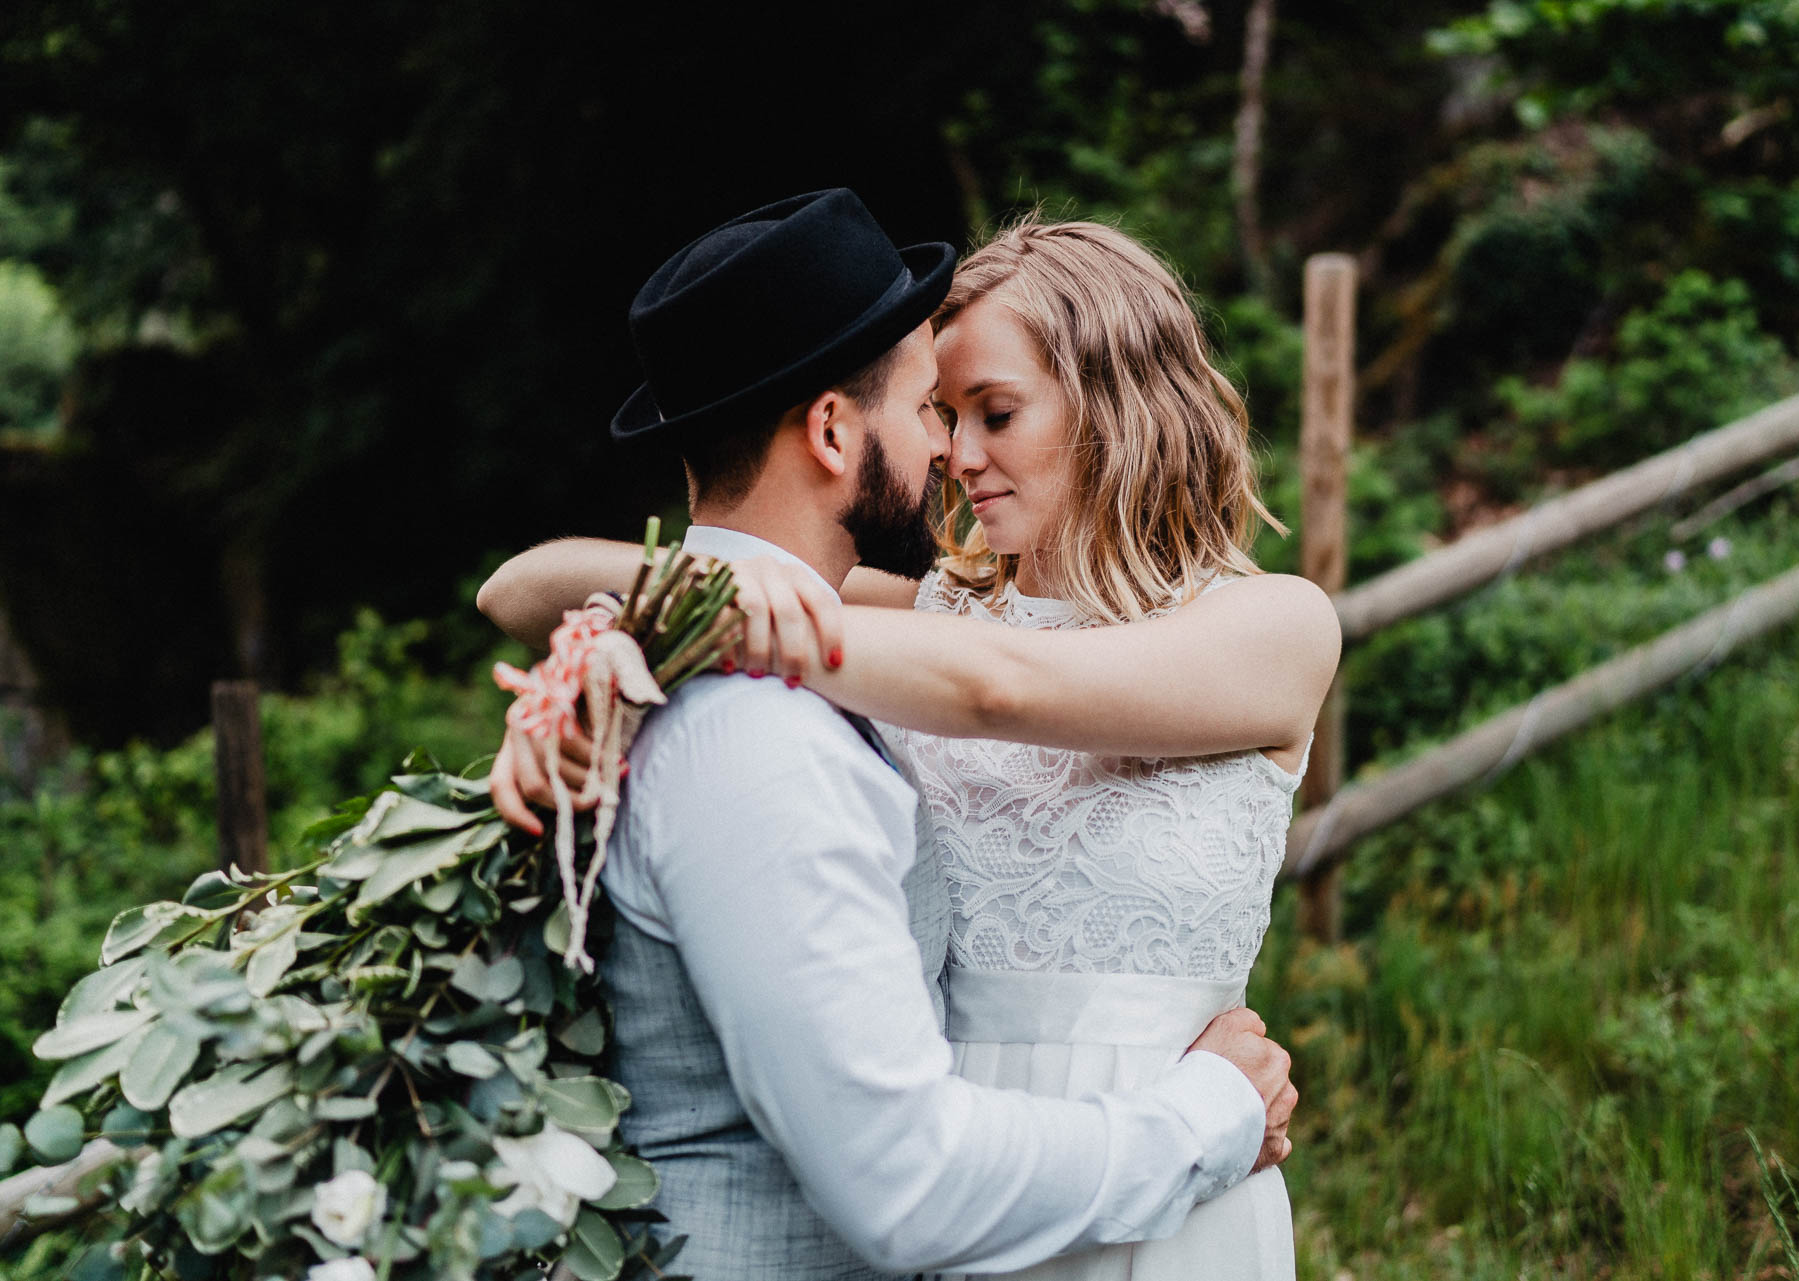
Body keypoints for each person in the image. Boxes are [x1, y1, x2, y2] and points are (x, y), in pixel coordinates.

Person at [485, 215, 1340, 1279]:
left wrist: (711, 615)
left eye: (997, 413)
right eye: (942, 412)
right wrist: (632, 644)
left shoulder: (1272, 626)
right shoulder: (932, 612)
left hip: (1178, 1181)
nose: (958, 456)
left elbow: (1002, 687)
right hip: (969, 1173)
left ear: (1115, 403)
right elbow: (518, 589)